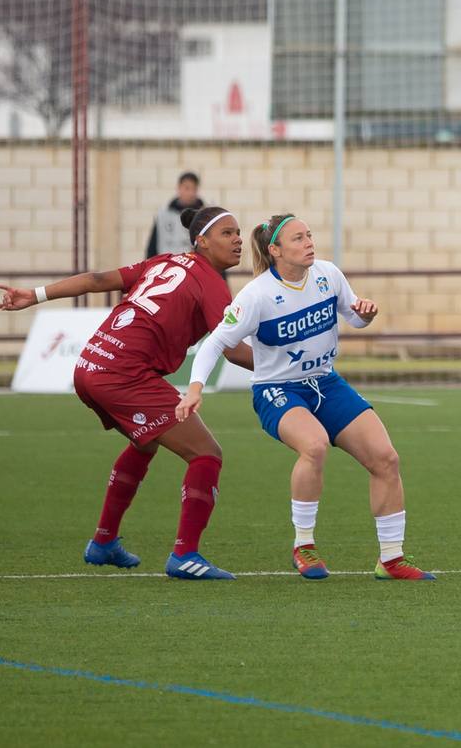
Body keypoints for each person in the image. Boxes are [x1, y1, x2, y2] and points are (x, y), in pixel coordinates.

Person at [0, 207, 249, 579]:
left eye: (239, 232)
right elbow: (232, 349)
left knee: (145, 442)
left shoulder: (163, 262)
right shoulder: (210, 280)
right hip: (123, 374)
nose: (238, 239)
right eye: (227, 233)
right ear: (202, 241)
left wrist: (34, 295)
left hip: (90, 365)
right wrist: (290, 364)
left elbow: (98, 278)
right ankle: (185, 556)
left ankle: (103, 542)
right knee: (207, 454)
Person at [180, 215, 433, 581]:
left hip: (326, 384)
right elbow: (215, 342)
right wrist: (195, 387)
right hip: (277, 390)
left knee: (386, 458)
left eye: (310, 235)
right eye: (298, 238)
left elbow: (354, 317)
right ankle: (304, 546)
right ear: (276, 250)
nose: (309, 242)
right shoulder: (257, 294)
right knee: (314, 446)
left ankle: (391, 559)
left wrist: (366, 315)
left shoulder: (329, 275)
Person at [146, 173, 223, 283]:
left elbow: (215, 249)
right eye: (187, 188)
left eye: (194, 189)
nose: (190, 193)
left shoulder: (206, 216)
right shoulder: (163, 215)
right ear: (179, 188)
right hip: (166, 273)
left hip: (195, 274)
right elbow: (152, 247)